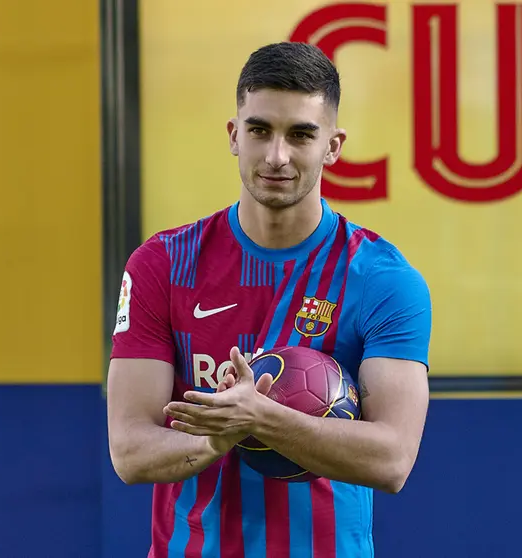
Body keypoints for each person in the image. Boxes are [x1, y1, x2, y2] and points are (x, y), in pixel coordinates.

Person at [107, 41, 431, 558]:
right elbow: (129, 450)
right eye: (260, 130)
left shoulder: (382, 279)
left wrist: (261, 419)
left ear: (333, 146)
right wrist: (212, 442)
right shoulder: (162, 264)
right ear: (235, 135)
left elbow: (392, 460)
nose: (277, 156)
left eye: (301, 134)